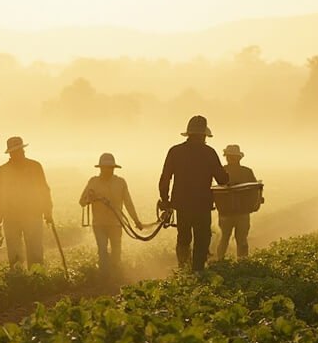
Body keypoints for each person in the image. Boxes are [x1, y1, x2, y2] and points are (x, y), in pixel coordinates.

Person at [158, 115, 228, 272]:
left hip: (182, 204)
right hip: (202, 204)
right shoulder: (209, 153)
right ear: (204, 135)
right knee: (202, 238)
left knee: (183, 237)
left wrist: (165, 199)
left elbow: (165, 178)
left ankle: (183, 268)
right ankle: (198, 270)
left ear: (188, 134)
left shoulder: (175, 151)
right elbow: (222, 179)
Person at [0, 136, 53, 267]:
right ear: (10, 153)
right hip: (11, 216)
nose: (17, 154)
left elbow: (44, 190)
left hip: (33, 215)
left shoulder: (35, 166)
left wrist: (48, 211)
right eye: (14, 152)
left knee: (35, 250)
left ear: (23, 150)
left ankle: (36, 278)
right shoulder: (3, 170)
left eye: (19, 151)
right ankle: (18, 277)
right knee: (14, 251)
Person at [79, 152, 143, 280]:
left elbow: (128, 202)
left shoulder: (120, 182)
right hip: (99, 224)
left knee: (116, 251)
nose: (108, 171)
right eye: (106, 168)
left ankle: (115, 275)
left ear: (114, 168)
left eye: (110, 168)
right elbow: (82, 201)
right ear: (101, 168)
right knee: (102, 250)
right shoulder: (93, 182)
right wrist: (90, 198)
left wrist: (136, 220)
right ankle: (104, 277)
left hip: (116, 223)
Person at [216, 144, 257, 261]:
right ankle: (239, 263)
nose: (230, 159)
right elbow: (255, 190)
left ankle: (225, 262)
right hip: (234, 212)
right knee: (231, 238)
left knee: (236, 239)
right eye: (229, 156)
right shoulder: (246, 172)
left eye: (232, 156)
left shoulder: (222, 171)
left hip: (233, 212)